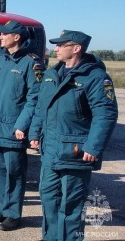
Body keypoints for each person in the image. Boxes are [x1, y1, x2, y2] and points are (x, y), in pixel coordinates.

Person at [29, 30, 118, 241]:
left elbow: (105, 113)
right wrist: (34, 131)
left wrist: (94, 147)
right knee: (49, 200)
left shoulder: (95, 77)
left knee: (70, 206)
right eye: (56, 45)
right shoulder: (52, 74)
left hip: (74, 152)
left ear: (76, 48)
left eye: (61, 45)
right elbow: (41, 108)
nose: (56, 48)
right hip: (50, 149)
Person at [0, 20, 42, 231]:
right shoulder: (0, 58)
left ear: (16, 37)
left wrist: (22, 126)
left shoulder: (31, 63)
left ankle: (13, 214)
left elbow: (34, 99)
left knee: (14, 173)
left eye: (4, 34)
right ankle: (1, 209)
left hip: (13, 128)